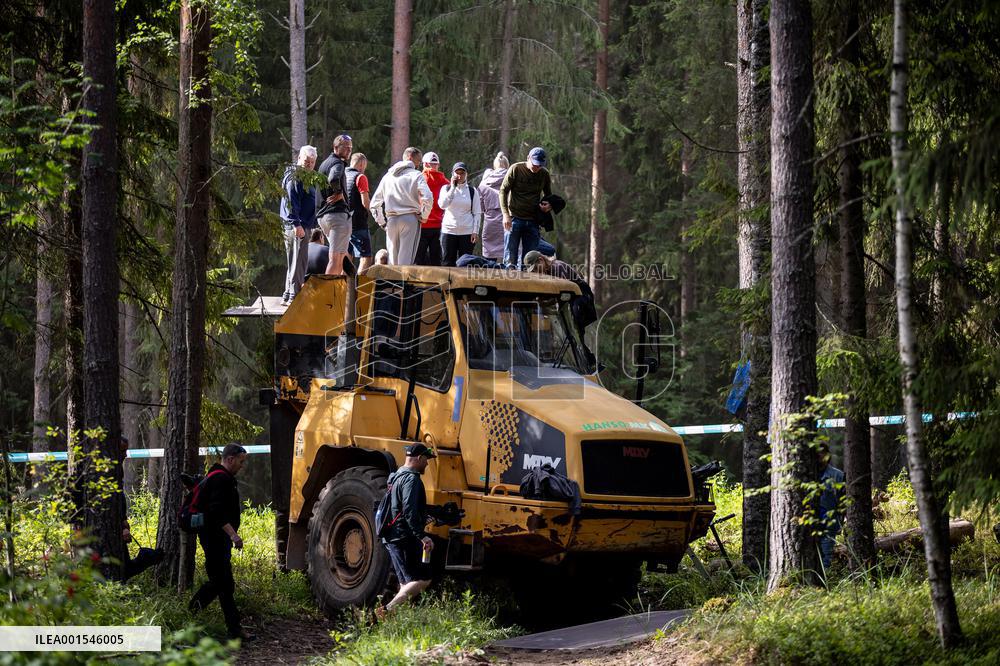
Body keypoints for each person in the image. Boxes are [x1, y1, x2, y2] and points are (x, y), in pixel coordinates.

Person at [189, 444, 250, 640]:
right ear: (230, 459)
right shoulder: (221, 479)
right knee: (220, 582)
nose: (242, 466)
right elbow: (216, 512)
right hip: (214, 539)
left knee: (225, 584)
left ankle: (235, 630)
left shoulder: (219, 476)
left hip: (217, 539)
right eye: (240, 461)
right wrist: (233, 534)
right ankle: (191, 611)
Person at [379, 443, 437, 618]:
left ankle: (397, 619)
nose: (427, 463)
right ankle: (386, 611)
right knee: (422, 579)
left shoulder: (395, 476)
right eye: (426, 459)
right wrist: (422, 536)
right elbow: (409, 510)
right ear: (419, 458)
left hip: (392, 536)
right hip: (403, 537)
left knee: (406, 582)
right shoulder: (412, 479)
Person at [369, 147, 432, 265]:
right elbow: (428, 197)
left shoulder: (388, 176)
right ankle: (402, 283)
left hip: (391, 220)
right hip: (410, 218)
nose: (419, 164)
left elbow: (374, 204)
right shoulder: (416, 175)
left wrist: (382, 222)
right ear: (410, 158)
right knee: (405, 260)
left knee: (392, 260)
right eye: (418, 161)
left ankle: (393, 283)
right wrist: (424, 215)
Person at [500, 147, 552, 268]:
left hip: (533, 221)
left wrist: (548, 206)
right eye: (535, 164)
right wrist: (505, 215)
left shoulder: (544, 174)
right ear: (528, 158)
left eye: (540, 165)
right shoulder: (516, 169)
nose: (537, 167)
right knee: (509, 260)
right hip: (513, 219)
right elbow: (503, 191)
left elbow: (548, 196)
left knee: (529, 263)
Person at [280, 145, 319, 304]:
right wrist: (297, 224)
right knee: (298, 261)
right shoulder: (295, 176)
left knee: (294, 260)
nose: (309, 164)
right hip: (297, 225)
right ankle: (293, 297)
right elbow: (290, 202)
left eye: (312, 162)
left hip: (301, 224)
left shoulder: (304, 176)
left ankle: (288, 293)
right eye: (306, 161)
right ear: (299, 159)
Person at [317, 134, 353, 276]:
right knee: (336, 259)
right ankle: (328, 295)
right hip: (336, 215)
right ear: (336, 147)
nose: (349, 151)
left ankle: (336, 293)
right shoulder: (337, 163)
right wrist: (339, 192)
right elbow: (333, 178)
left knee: (338, 257)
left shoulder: (324, 163)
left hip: (324, 216)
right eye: (346, 148)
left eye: (350, 148)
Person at [438, 162, 482, 267]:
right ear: (452, 174)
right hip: (449, 231)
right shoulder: (446, 188)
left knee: (465, 263)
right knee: (447, 262)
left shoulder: (472, 191)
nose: (459, 175)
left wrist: (475, 231)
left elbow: (477, 212)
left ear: (466, 174)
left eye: (462, 173)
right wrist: (453, 188)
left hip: (467, 232)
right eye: (457, 173)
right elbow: (442, 205)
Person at [414, 152, 448, 266]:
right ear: (437, 165)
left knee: (419, 259)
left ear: (425, 164)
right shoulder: (446, 183)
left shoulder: (419, 179)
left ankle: (417, 283)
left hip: (421, 224)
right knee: (436, 260)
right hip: (439, 226)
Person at [818, 445, 846, 570]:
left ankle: (823, 586)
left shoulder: (838, 476)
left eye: (822, 453)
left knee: (825, 559)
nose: (819, 456)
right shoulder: (805, 476)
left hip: (828, 525)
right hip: (807, 526)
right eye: (817, 453)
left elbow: (844, 502)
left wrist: (840, 522)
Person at [345, 152, 374, 273]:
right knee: (366, 257)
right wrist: (374, 210)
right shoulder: (360, 177)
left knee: (346, 257)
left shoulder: (343, 174)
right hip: (358, 222)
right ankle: (359, 288)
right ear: (361, 165)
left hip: (344, 222)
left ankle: (345, 289)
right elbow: (365, 203)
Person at [478, 152, 509, 263]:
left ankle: (488, 280)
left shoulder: (484, 184)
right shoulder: (513, 180)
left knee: (489, 258)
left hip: (490, 223)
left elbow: (480, 207)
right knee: (510, 254)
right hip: (508, 222)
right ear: (507, 165)